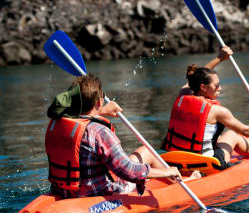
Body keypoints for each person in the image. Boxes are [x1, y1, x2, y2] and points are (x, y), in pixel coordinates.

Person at [45, 74, 200, 199]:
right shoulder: (100, 133)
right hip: (98, 193)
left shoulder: (59, 123)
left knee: (146, 151)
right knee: (151, 158)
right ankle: (181, 181)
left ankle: (178, 179)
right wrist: (167, 172)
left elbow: (81, 117)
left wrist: (102, 111)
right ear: (99, 102)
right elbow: (128, 172)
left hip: (66, 191)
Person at [162, 46, 249, 170]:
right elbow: (244, 130)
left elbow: (196, 78)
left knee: (218, 137)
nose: (220, 88)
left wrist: (219, 58)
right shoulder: (217, 111)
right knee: (232, 134)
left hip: (175, 160)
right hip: (205, 164)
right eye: (217, 85)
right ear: (203, 87)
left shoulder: (183, 95)